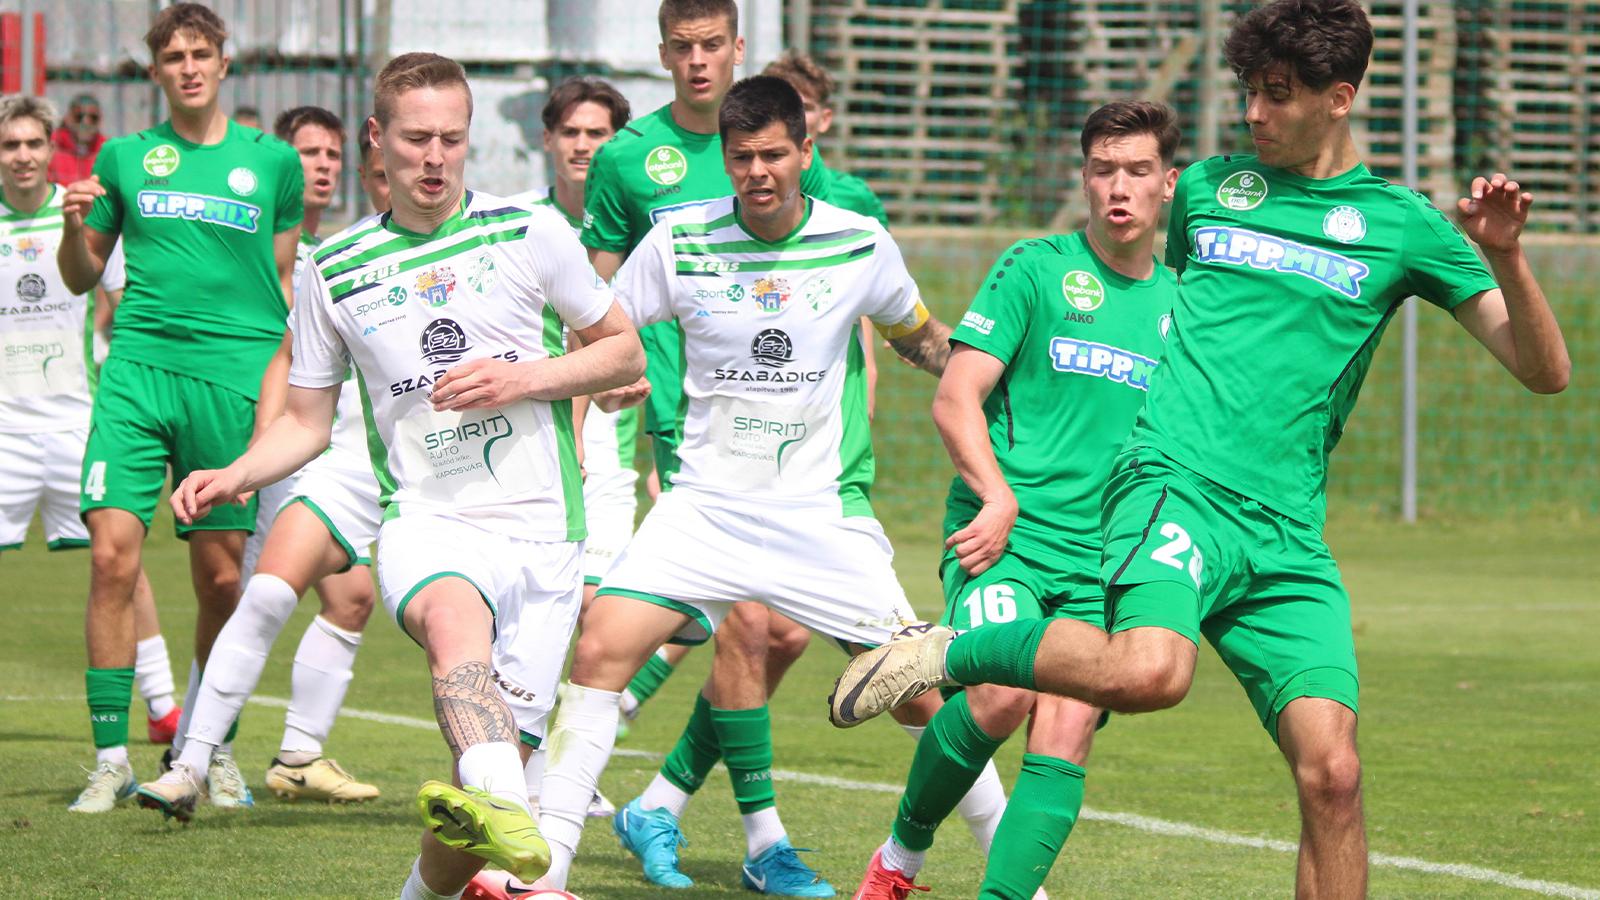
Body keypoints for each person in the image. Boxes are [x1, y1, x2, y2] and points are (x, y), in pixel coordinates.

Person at [829, 2, 1570, 896]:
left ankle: (948, 665)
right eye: (1249, 91)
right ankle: (951, 655)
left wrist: (1508, 258)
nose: (1253, 113)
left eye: (1277, 95)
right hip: (1173, 485)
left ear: (1339, 99)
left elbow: (1545, 373)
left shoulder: (1402, 224)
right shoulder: (1213, 189)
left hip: (1287, 531)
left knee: (1333, 773)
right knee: (1152, 673)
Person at [170, 51, 644, 897]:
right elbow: (307, 422)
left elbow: (623, 351)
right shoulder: (335, 269)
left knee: (475, 790)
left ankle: (450, 859)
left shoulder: (530, 232)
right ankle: (519, 821)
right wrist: (237, 472)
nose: (435, 158)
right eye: (417, 138)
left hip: (545, 532)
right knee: (454, 630)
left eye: (452, 139)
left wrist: (524, 378)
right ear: (377, 139)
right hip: (430, 523)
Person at [535, 74, 957, 897]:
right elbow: (601, 333)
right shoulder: (680, 240)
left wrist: (992, 370)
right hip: (704, 506)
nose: (757, 171)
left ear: (806, 150)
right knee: (602, 647)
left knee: (914, 692)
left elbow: (917, 335)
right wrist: (588, 407)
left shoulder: (859, 241)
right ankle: (546, 869)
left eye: (773, 155)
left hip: (816, 512)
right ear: (723, 159)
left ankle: (1004, 875)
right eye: (741, 157)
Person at [852, 100, 1181, 900]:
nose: (1120, 188)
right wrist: (996, 498)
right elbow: (955, 397)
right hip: (1007, 541)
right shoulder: (1035, 267)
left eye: (1138, 171)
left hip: (1107, 561)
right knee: (1003, 692)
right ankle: (898, 862)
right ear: (1084, 179)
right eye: (1103, 170)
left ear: (1169, 184)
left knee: (1067, 724)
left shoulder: (1187, 305)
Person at [55, 2, 303, 813]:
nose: (189, 68)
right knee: (110, 558)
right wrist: (72, 229)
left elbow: (279, 283)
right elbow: (82, 276)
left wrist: (279, 393)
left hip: (229, 382)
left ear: (224, 63)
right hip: (137, 371)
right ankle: (108, 758)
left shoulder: (274, 164)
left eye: (201, 54)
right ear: (156, 70)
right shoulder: (125, 157)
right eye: (174, 57)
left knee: (223, 578)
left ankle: (210, 747)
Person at [134, 105, 383, 820]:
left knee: (351, 598)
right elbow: (276, 353)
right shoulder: (277, 252)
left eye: (332, 153)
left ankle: (296, 755)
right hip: (286, 443)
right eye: (308, 152)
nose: (323, 166)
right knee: (250, 593)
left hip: (373, 459)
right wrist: (254, 452)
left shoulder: (341, 251)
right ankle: (193, 755)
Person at [2, 96, 183, 748]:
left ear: (51, 148)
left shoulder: (82, 214)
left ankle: (162, 707)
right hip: (3, 432)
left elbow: (124, 302)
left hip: (78, 420)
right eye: (10, 145)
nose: (22, 156)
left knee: (120, 561)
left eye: (33, 143)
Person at [48, 93, 105, 186]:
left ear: (100, 120)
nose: (86, 122)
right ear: (67, 118)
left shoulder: (106, 150)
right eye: (79, 117)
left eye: (93, 117)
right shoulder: (51, 146)